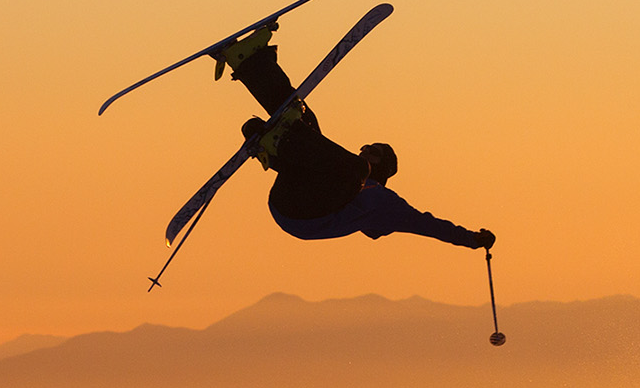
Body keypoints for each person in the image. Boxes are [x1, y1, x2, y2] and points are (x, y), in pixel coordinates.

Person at [210, 26, 494, 250]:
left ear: (382, 169)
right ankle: (251, 61)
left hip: (302, 216)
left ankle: (276, 144)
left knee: (344, 164)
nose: (365, 148)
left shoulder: (385, 203)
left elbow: (429, 226)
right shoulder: (341, 175)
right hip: (297, 194)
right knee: (304, 120)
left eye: (374, 151)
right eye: (367, 146)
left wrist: (472, 239)